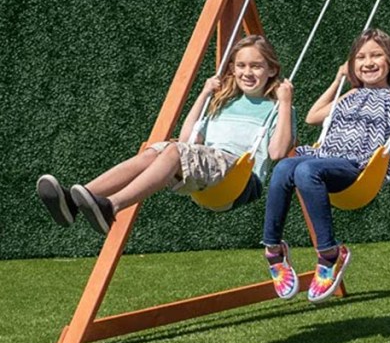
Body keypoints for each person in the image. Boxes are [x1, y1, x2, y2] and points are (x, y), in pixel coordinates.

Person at [36, 34, 294, 234]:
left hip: (239, 179)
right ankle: (73, 201)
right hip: (209, 169)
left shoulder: (277, 107)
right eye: (241, 65)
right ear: (233, 68)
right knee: (155, 151)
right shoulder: (223, 102)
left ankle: (111, 205)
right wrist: (204, 94)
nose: (247, 72)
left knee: (172, 151)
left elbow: (277, 152)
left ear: (271, 70)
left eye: (256, 66)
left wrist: (284, 103)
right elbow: (187, 141)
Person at [262, 28, 390, 303]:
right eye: (360, 57)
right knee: (285, 167)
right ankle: (274, 250)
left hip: (359, 167)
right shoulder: (351, 95)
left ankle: (329, 255)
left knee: (305, 170)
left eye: (376, 56)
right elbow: (313, 116)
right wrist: (338, 80)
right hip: (326, 157)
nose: (368, 62)